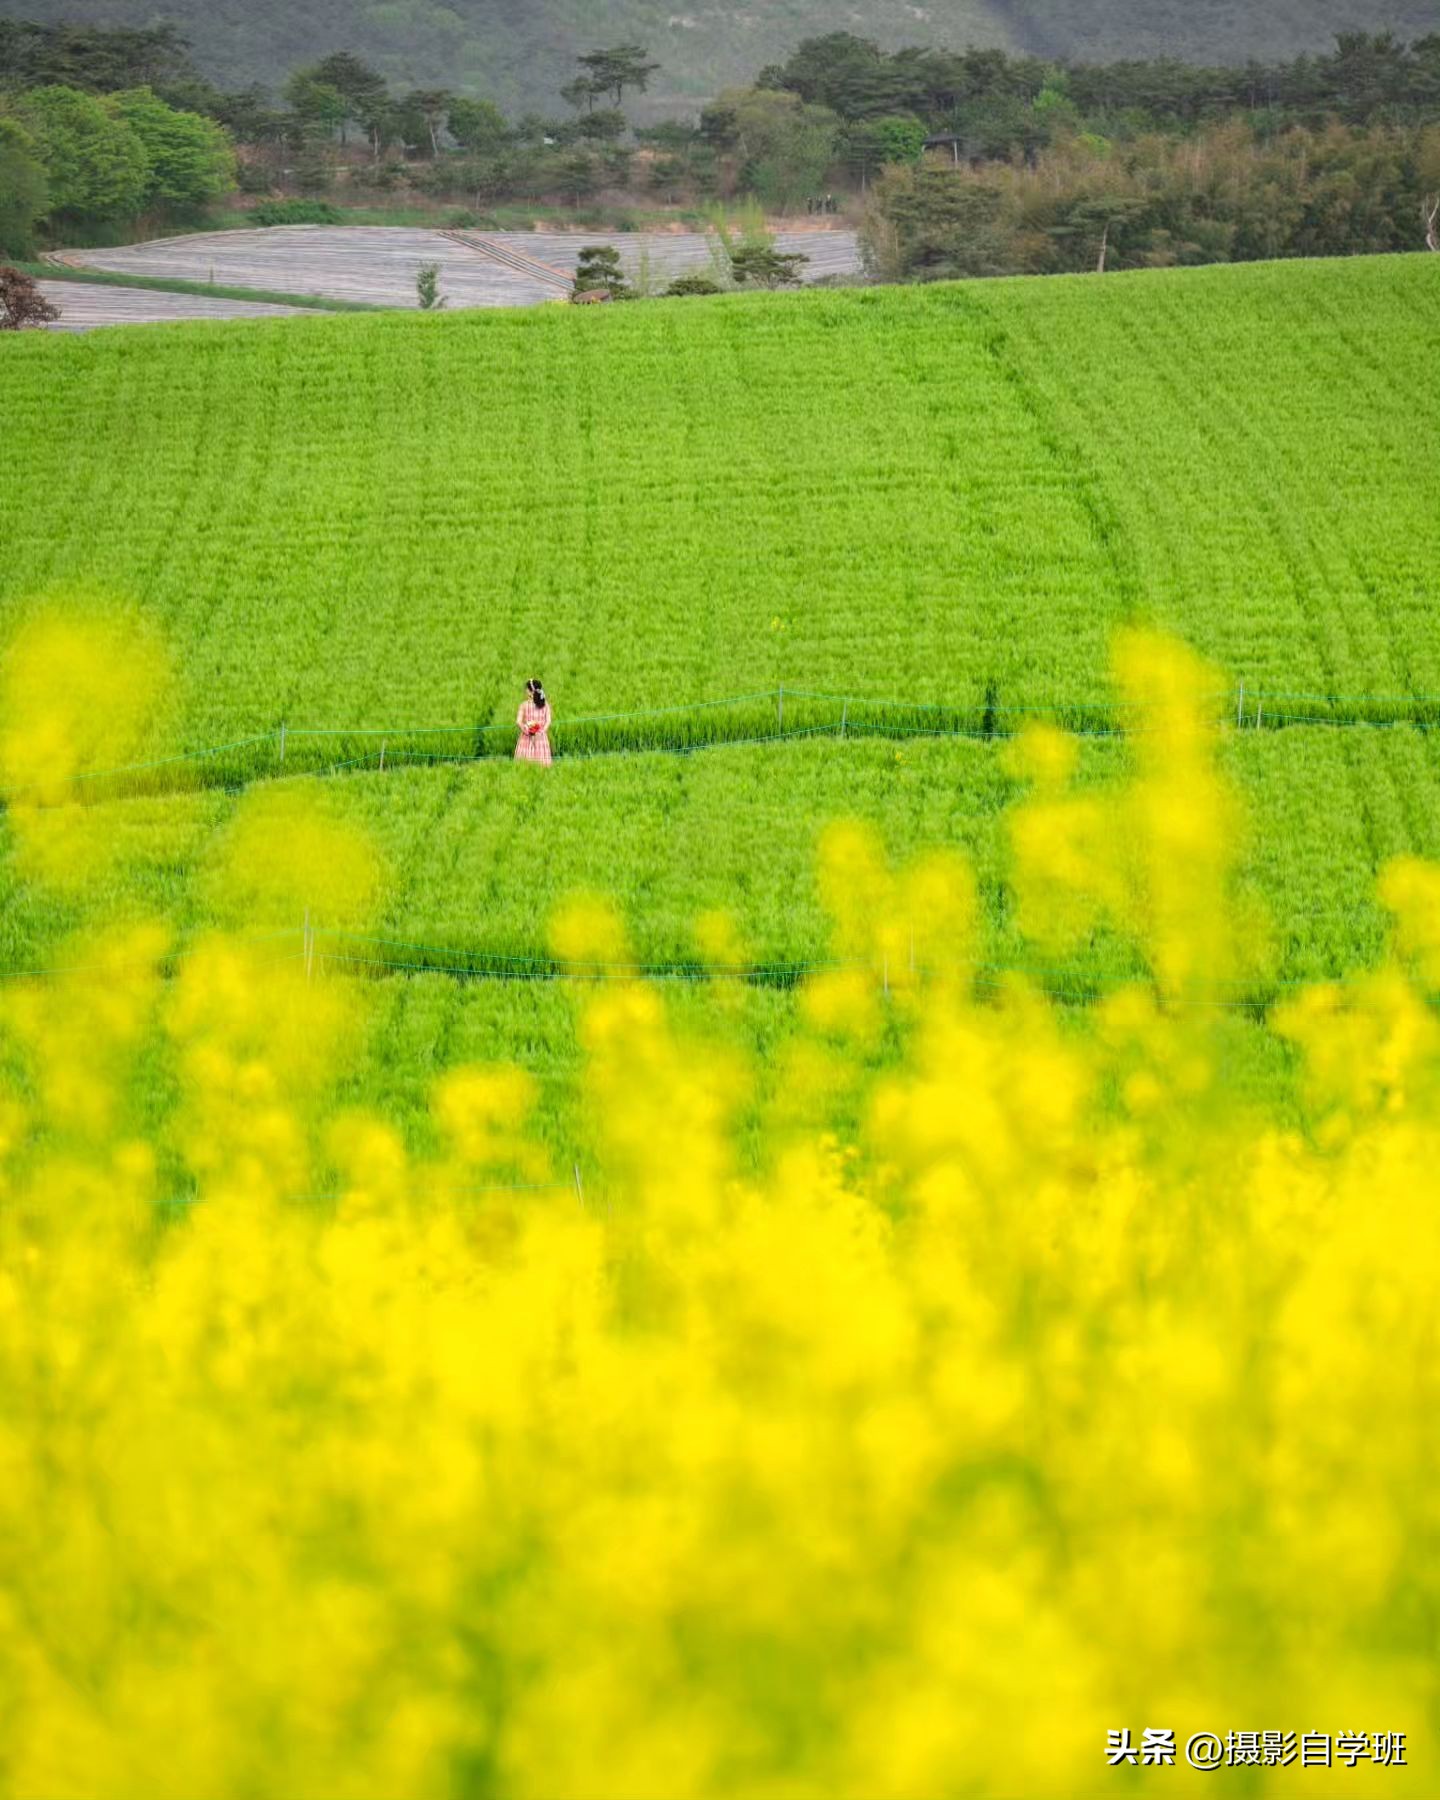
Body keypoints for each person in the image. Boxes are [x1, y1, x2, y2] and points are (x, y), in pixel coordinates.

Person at [515, 678, 552, 766]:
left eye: (527, 689)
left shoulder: (524, 705)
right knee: (542, 764)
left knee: (524, 764)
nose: (525, 691)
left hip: (526, 738)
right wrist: (541, 732)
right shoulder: (545, 704)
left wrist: (526, 730)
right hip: (541, 738)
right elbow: (548, 721)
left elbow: (518, 721)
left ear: (530, 691)